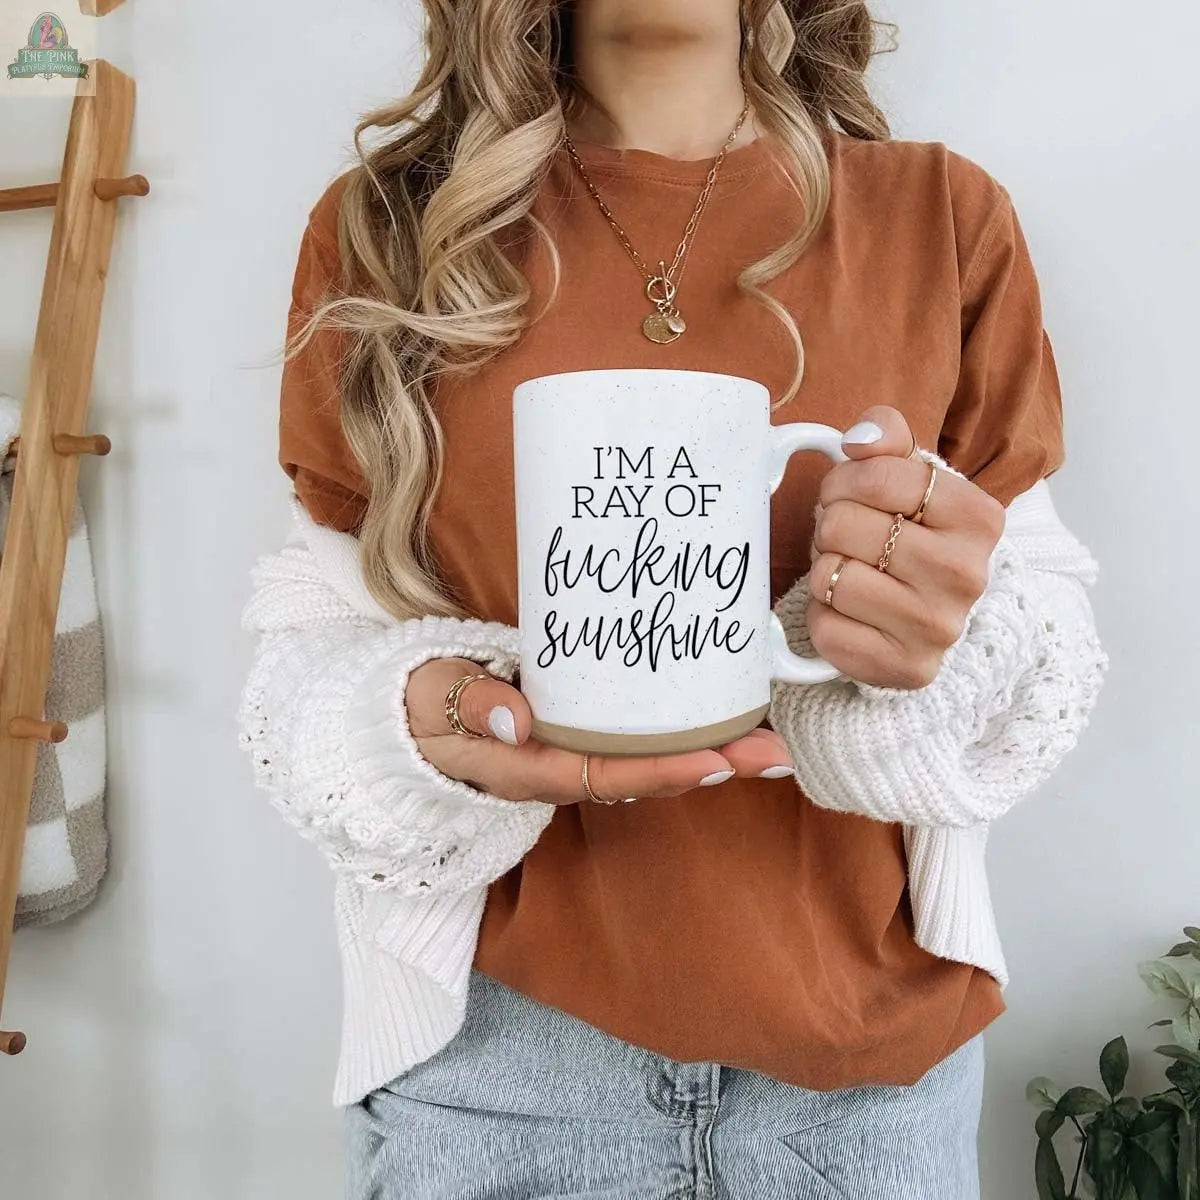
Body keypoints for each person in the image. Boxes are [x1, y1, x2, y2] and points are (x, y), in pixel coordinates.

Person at [237, 1, 1108, 1195]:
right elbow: (307, 647)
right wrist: (421, 729)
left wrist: (921, 653)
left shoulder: (941, 218)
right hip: (497, 1073)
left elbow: (1041, 633)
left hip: (861, 1081)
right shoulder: (390, 230)